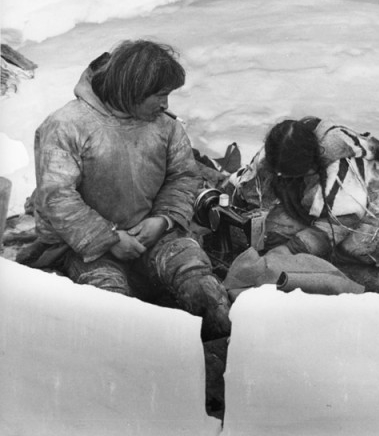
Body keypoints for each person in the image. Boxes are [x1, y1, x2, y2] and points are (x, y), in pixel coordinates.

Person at [20, 40, 230, 413]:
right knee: (114, 311)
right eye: (159, 94)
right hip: (86, 247)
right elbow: (56, 197)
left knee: (204, 288)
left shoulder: (166, 128)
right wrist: (108, 238)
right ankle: (132, 402)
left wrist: (162, 220)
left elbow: (183, 177)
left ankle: (219, 377)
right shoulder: (67, 126)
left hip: (155, 236)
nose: (165, 104)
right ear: (132, 89)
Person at [230, 117, 379, 291]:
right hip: (324, 206)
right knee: (271, 230)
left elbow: (335, 226)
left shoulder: (341, 169)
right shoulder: (279, 148)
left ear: (310, 166)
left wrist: (291, 249)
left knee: (363, 247)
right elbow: (250, 185)